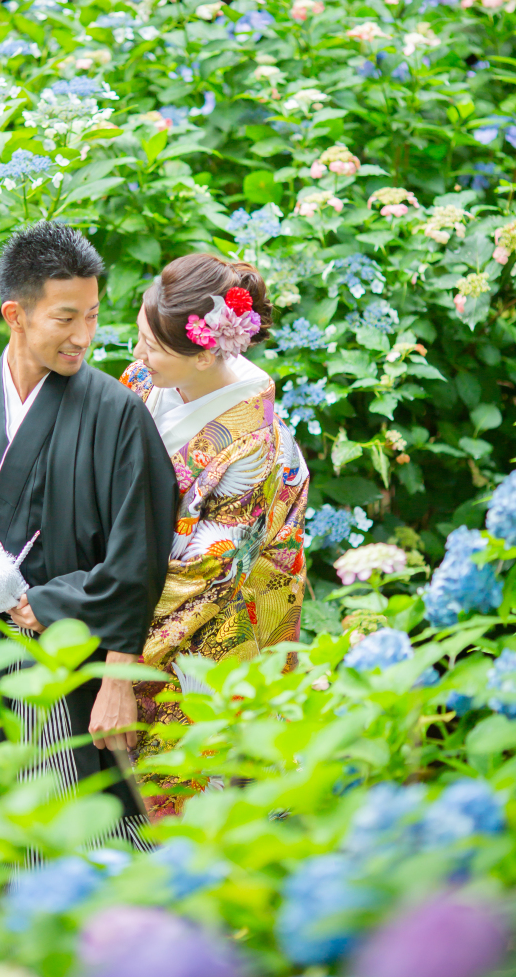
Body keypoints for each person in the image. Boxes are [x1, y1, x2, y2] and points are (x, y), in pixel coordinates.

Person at [0, 221, 177, 847]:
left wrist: (116, 674)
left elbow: (138, 555)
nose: (84, 336)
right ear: (15, 313)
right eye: (66, 319)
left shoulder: (117, 412)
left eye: (92, 315)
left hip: (79, 661)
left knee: (99, 832)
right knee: (18, 830)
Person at [121, 253, 309, 819]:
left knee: (196, 799)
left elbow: (203, 575)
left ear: (206, 351)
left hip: (208, 620)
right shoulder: (150, 378)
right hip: (139, 582)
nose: (136, 358)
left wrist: (109, 646)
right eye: (139, 338)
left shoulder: (252, 444)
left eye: (151, 348)